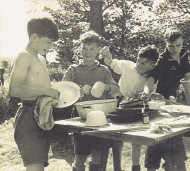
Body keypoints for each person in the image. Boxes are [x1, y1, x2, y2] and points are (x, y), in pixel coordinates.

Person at [62, 31, 120, 171]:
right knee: (80, 156)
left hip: (100, 120)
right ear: (80, 49)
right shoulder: (73, 70)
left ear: (98, 50)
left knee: (98, 156)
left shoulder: (104, 70)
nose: (87, 52)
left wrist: (105, 87)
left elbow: (116, 90)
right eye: (84, 48)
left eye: (92, 48)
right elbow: (63, 92)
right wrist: (79, 90)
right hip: (80, 119)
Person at [9, 17, 60, 171]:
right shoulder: (23, 56)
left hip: (41, 117)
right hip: (28, 118)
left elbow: (40, 87)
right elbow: (14, 89)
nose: (51, 47)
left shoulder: (41, 59)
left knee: (40, 167)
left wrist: (52, 94)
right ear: (34, 38)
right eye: (48, 42)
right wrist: (46, 91)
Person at [102, 45, 159, 171]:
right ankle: (117, 167)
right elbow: (111, 63)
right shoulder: (128, 66)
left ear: (152, 65)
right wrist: (108, 56)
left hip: (136, 108)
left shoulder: (151, 78)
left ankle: (135, 167)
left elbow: (149, 91)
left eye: (143, 63)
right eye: (138, 60)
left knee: (136, 139)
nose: (139, 64)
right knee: (117, 139)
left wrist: (147, 95)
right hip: (119, 105)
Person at [145, 28, 190, 171]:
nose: (174, 49)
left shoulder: (183, 54)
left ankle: (174, 165)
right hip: (164, 104)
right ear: (166, 44)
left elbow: (188, 76)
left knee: (175, 136)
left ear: (182, 42)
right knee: (160, 135)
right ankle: (153, 166)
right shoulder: (162, 60)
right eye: (171, 46)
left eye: (178, 45)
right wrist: (146, 92)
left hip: (179, 103)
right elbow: (151, 78)